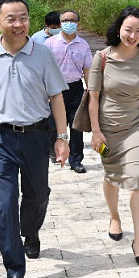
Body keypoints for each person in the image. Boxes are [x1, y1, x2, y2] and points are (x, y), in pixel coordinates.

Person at [0, 0, 70, 278]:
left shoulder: (42, 54)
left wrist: (61, 138)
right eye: (11, 18)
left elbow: (57, 98)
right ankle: (14, 269)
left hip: (37, 136)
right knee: (5, 204)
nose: (18, 23)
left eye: (23, 17)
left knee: (38, 195)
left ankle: (32, 231)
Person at [87, 7, 139, 266]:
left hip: (137, 126)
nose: (133, 35)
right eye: (128, 29)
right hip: (106, 129)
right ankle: (114, 217)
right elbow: (93, 97)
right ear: (119, 28)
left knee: (136, 179)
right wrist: (96, 131)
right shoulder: (102, 57)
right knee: (110, 175)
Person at [44, 9, 94, 173]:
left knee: (76, 125)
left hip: (76, 88)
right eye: (65, 20)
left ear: (77, 23)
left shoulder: (84, 45)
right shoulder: (50, 44)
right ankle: (54, 151)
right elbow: (44, 69)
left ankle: (76, 160)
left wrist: (91, 92)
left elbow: (87, 70)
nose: (69, 23)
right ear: (60, 23)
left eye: (72, 20)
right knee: (53, 124)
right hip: (55, 89)